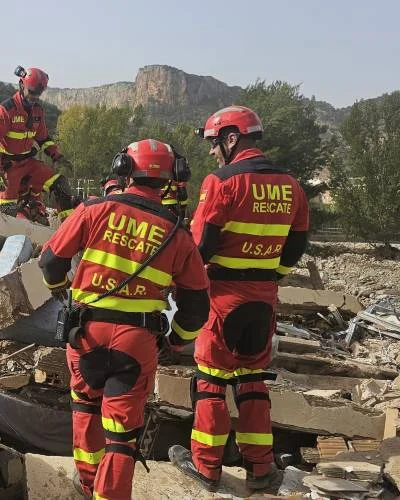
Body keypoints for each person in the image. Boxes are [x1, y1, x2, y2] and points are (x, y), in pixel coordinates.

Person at [39, 139, 210, 499]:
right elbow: (196, 307)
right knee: (121, 437)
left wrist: (63, 291)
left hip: (86, 333)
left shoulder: (93, 210)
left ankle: (87, 484)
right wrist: (175, 341)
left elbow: (50, 262)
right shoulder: (177, 233)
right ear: (170, 177)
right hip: (137, 341)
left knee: (85, 410)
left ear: (123, 168)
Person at [169, 105, 310, 492]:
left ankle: (207, 467)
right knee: (252, 382)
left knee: (210, 382)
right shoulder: (292, 185)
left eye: (216, 144)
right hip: (263, 302)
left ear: (232, 138)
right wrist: (272, 277)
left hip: (223, 299)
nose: (213, 152)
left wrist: (182, 292)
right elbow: (297, 246)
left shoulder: (221, 183)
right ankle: (260, 470)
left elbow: (200, 248)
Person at [0, 66, 79, 222]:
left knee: (60, 184)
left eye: (38, 94)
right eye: (32, 92)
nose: (34, 97)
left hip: (28, 163)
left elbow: (43, 139)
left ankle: (68, 228)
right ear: (21, 85)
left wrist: (58, 156)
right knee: (7, 210)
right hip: (9, 166)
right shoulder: (4, 111)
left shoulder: (37, 111)